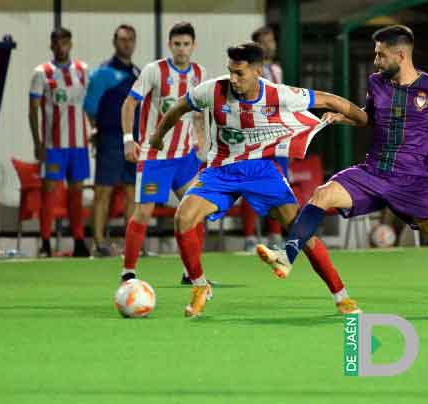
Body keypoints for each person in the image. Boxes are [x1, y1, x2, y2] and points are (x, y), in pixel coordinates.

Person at [257, 25, 428, 314]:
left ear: (401, 55)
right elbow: (367, 118)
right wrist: (343, 116)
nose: (376, 61)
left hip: (413, 181)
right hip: (373, 172)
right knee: (321, 195)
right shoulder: (377, 82)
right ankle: (287, 255)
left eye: (380, 55)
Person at [150, 42, 364, 317]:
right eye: (230, 72)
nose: (233, 79)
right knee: (183, 218)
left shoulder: (277, 94)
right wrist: (157, 136)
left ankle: (341, 296)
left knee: (302, 231)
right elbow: (179, 107)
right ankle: (200, 286)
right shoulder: (212, 90)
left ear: (257, 71)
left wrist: (363, 119)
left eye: (240, 73)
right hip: (221, 171)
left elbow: (330, 100)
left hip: (261, 170)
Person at [120, 22, 206, 284]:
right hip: (155, 157)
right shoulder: (154, 71)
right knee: (144, 213)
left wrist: (201, 135)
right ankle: (128, 273)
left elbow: (201, 109)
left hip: (185, 157)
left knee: (196, 211)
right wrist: (128, 139)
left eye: (186, 44)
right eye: (177, 44)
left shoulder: (200, 73)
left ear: (193, 46)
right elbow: (130, 103)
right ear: (170, 45)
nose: (181, 49)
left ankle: (190, 273)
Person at [29, 27, 90, 258]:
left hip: (79, 145)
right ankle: (45, 242)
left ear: (70, 44)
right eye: (56, 42)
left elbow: (89, 103)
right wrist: (37, 142)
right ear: (51, 45)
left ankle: (79, 241)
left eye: (64, 42)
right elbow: (32, 111)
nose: (60, 46)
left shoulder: (83, 70)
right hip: (53, 146)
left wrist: (92, 128)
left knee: (77, 193)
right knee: (50, 194)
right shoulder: (41, 72)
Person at [84, 25, 141, 257]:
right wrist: (97, 129)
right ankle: (98, 243)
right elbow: (90, 107)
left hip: (133, 140)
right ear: (114, 42)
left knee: (131, 192)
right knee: (103, 191)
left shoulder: (137, 72)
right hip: (110, 139)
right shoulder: (103, 72)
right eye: (122, 39)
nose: (126, 43)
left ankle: (131, 245)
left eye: (130, 40)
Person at [239, 26, 287, 251]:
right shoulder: (247, 71)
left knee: (277, 185)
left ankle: (275, 235)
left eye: (272, 40)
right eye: (265, 41)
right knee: (251, 185)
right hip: (254, 135)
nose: (271, 45)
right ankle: (249, 237)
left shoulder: (277, 70)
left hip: (277, 136)